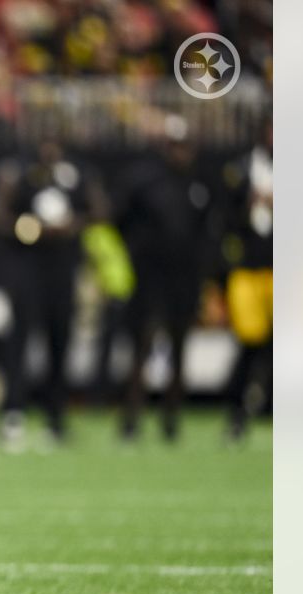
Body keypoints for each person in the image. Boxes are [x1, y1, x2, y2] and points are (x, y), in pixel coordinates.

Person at [0, 141, 106, 450]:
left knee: (60, 338)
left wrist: (71, 226)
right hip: (26, 266)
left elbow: (100, 209)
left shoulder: (77, 172)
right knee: (19, 338)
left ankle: (56, 416)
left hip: (62, 267)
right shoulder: (17, 169)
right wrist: (24, 227)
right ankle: (13, 413)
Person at [114, 116, 213, 442]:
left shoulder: (198, 183)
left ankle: (171, 420)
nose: (181, 153)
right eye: (176, 146)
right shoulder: (144, 180)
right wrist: (137, 252)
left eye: (186, 147)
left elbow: (207, 229)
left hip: (184, 275)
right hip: (150, 274)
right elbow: (120, 219)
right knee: (142, 344)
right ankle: (131, 419)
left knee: (180, 345)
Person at [218, 120, 272, 441]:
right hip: (248, 269)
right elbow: (223, 218)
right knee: (249, 343)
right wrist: (248, 204)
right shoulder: (239, 168)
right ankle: (236, 414)